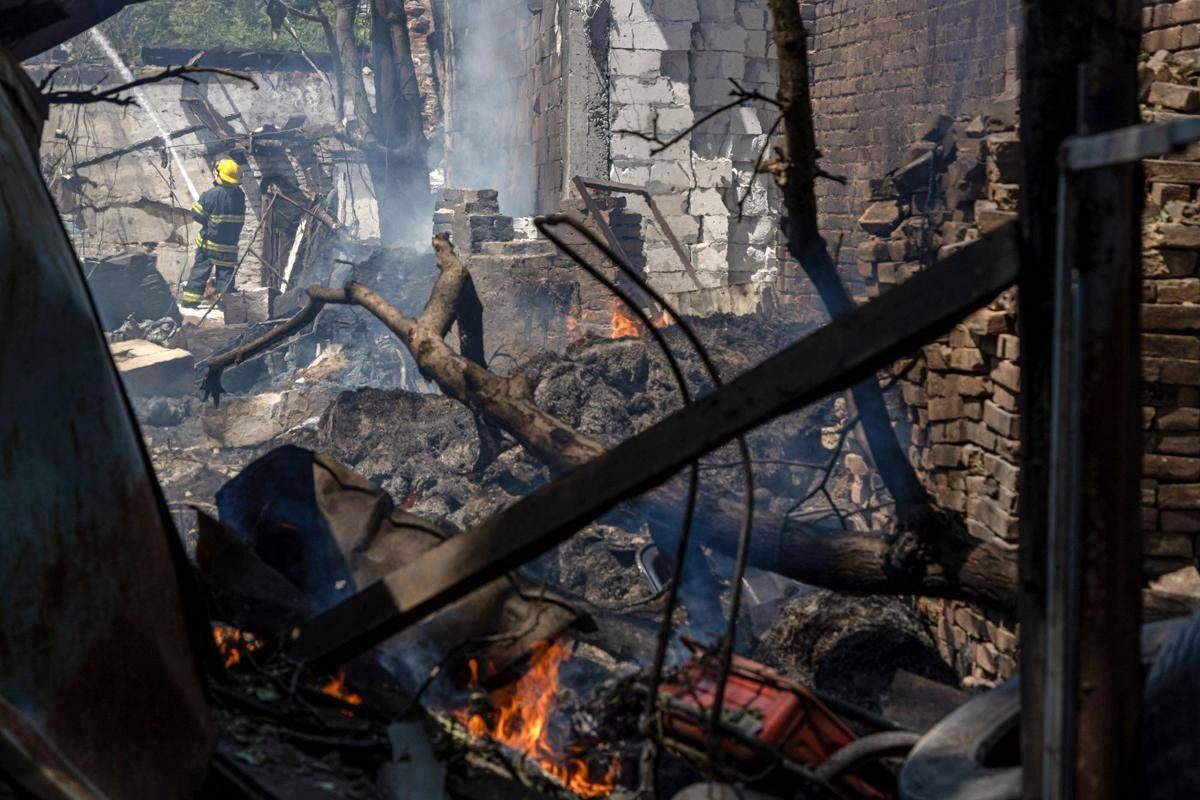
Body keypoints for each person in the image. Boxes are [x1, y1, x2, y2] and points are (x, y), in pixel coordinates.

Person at [181, 158, 246, 307]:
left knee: (200, 273)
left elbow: (196, 214)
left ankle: (190, 302)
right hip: (229, 246)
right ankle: (226, 306)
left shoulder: (211, 194)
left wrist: (209, 222)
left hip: (209, 245)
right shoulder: (240, 196)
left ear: (219, 175)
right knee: (225, 276)